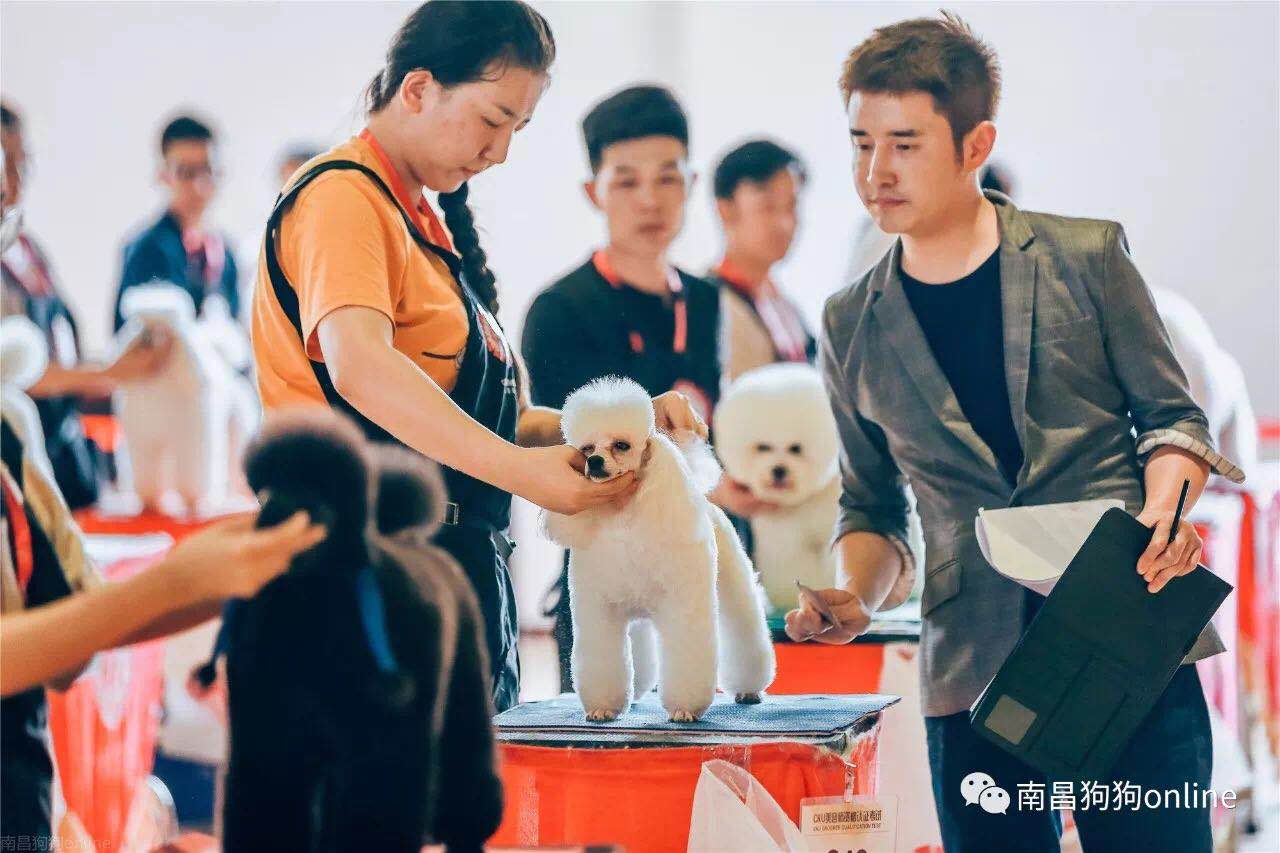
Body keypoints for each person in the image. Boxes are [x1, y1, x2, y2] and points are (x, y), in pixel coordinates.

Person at [785, 14, 1243, 852]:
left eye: (904, 144)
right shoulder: (851, 322)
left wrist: (1165, 513)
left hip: (1127, 633)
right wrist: (856, 592)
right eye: (860, 144)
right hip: (973, 669)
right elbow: (873, 505)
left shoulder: (1087, 257)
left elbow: (1172, 419)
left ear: (976, 144)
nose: (876, 172)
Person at [249, 1, 704, 712]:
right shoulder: (342, 198)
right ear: (418, 89)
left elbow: (502, 420)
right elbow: (360, 366)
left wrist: (622, 428)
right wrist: (522, 473)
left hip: (449, 577)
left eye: (516, 129)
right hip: (357, 580)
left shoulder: (421, 223)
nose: (500, 152)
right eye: (493, 120)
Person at [521, 85, 728, 689]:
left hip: (695, 572)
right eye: (626, 181)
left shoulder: (707, 300)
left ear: (691, 184)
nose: (650, 200)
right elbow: (565, 457)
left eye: (667, 178)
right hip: (606, 583)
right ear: (594, 192)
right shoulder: (561, 309)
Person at [1, 101, 171, 509]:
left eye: (22, 163)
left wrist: (114, 368)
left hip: (58, 443)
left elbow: (59, 347)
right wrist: (107, 374)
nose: (15, 179)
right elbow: (13, 370)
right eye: (8, 163)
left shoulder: (29, 249)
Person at [113, 114, 241, 332]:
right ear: (163, 175)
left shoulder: (225, 253)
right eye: (186, 173)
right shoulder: (146, 250)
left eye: (207, 170)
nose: (199, 185)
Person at [707, 138, 816, 383]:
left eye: (791, 207)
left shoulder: (782, 302)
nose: (785, 223)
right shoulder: (710, 306)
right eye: (768, 207)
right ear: (726, 210)